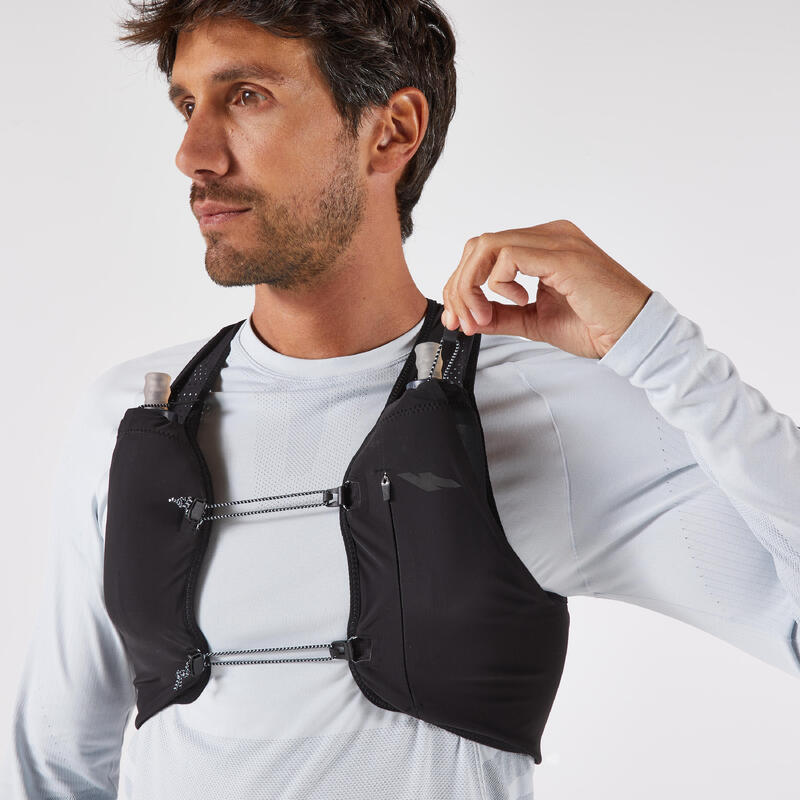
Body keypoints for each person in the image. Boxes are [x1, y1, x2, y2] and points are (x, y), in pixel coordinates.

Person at [2, 2, 798, 798]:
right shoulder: (135, 415)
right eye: (186, 104)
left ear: (391, 132)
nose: (193, 153)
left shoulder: (531, 406)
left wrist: (657, 346)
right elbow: (58, 765)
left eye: (246, 96)